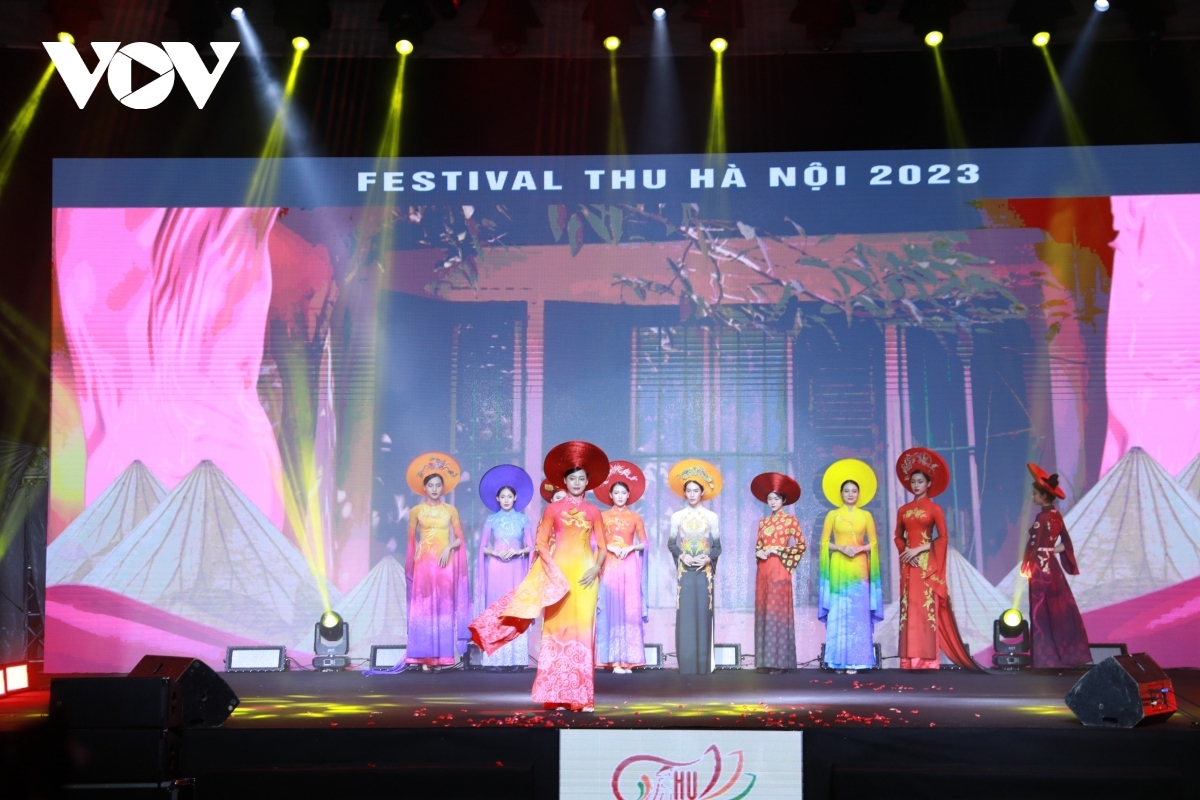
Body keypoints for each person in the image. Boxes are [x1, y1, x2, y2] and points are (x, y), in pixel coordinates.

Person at [471, 441, 610, 711]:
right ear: (565, 481)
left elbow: (603, 547)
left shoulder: (593, 512)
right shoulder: (552, 510)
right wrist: (551, 571)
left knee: (583, 634)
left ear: (588, 482)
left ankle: (581, 697)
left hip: (585, 578)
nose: (578, 483)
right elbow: (541, 543)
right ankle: (556, 695)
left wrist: (595, 568)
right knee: (555, 632)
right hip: (557, 576)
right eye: (573, 479)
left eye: (582, 479)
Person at [893, 448, 983, 672]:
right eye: (913, 481)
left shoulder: (935, 509)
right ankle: (908, 659)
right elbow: (897, 536)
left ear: (927, 483)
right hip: (909, 566)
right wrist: (906, 551)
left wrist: (918, 550)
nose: (915, 485)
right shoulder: (903, 510)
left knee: (925, 611)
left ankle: (927, 660)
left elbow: (943, 537)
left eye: (920, 481)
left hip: (926, 566)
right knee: (909, 611)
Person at [404, 452, 470, 670]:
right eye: (430, 485)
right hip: (423, 564)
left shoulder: (450, 510)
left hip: (444, 564)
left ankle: (442, 657)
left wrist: (449, 547)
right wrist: (412, 565)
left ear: (443, 488)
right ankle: (423, 657)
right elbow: (411, 542)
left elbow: (460, 539)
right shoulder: (416, 511)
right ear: (425, 488)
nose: (434, 489)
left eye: (438, 485)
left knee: (443, 608)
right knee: (423, 609)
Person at [1021, 463, 1091, 668]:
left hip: (1040, 571)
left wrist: (1031, 563)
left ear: (1043, 496)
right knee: (1061, 611)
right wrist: (1049, 551)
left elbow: (1034, 547)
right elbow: (1065, 544)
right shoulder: (1056, 516)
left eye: (1035, 494)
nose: (1033, 497)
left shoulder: (1042, 517)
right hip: (1053, 570)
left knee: (1041, 613)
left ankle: (1046, 660)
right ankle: (1069, 656)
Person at [818, 458, 882, 674]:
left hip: (859, 569)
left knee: (857, 613)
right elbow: (824, 543)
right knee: (838, 612)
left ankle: (856, 661)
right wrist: (840, 548)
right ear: (841, 493)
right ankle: (837, 661)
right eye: (847, 491)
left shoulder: (866, 515)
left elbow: (873, 543)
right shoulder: (832, 515)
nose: (851, 494)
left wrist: (860, 549)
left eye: (854, 490)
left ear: (859, 493)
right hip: (838, 567)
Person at [475, 464, 536, 671]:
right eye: (503, 496)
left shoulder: (523, 520)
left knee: (515, 610)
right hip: (496, 568)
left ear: (516, 498)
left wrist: (518, 552)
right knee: (497, 611)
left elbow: (530, 547)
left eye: (510, 496)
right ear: (497, 499)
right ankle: (496, 659)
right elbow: (482, 548)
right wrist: (496, 552)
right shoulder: (491, 520)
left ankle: (516, 659)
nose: (507, 500)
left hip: (516, 568)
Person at [667, 459, 723, 675]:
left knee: (703, 613)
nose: (691, 494)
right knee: (686, 614)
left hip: (704, 572)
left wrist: (708, 558)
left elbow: (717, 546)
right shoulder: (677, 516)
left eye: (695, 490)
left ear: (702, 492)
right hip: (685, 572)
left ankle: (704, 663)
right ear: (684, 493)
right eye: (688, 490)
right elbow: (672, 543)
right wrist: (682, 556)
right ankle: (687, 664)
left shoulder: (711, 517)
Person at [594, 460, 649, 673]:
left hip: (629, 567)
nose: (619, 496)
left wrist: (631, 547)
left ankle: (627, 660)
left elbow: (645, 543)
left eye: (622, 493)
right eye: (615, 493)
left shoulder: (635, 518)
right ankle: (613, 660)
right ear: (611, 496)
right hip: (610, 566)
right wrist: (611, 548)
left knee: (629, 610)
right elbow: (594, 541)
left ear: (628, 495)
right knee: (611, 607)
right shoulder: (602, 516)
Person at [750, 472, 806, 674]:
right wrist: (761, 551)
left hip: (780, 569)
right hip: (764, 569)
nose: (773, 502)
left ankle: (780, 662)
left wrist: (778, 550)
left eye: (776, 498)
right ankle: (765, 661)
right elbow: (758, 546)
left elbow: (801, 546)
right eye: (770, 499)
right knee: (764, 612)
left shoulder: (791, 521)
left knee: (777, 613)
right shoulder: (763, 523)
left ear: (783, 500)